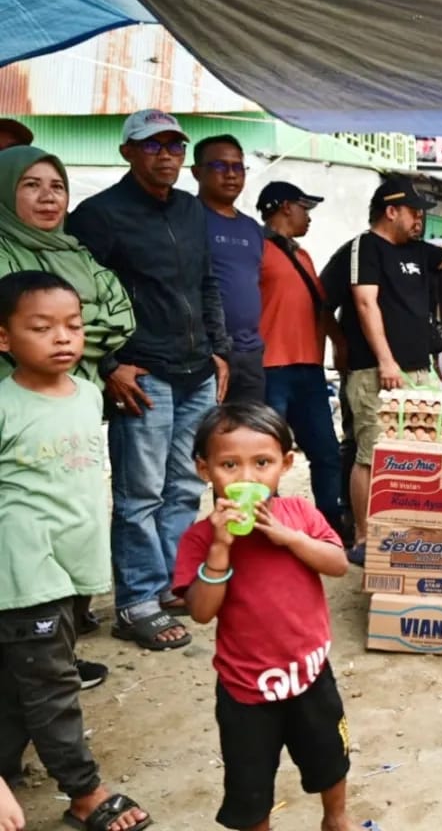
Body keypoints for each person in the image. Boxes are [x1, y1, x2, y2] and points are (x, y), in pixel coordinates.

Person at [68, 108, 231, 652]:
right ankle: (135, 601)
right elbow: (77, 296)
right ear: (127, 152)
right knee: (139, 493)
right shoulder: (99, 215)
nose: (166, 155)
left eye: (174, 147)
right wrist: (109, 363)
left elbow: (206, 282)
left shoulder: (189, 209)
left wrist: (219, 349)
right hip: (144, 373)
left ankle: (169, 585)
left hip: (196, 370)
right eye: (153, 145)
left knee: (185, 485)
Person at [0, 270, 154, 831]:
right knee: (52, 682)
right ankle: (85, 791)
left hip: (70, 567)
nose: (63, 337)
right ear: (4, 338)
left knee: (19, 680)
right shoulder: (3, 403)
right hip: (22, 569)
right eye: (41, 327)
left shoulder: (90, 393)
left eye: (73, 325)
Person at [174, 402, 354, 831]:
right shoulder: (200, 538)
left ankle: (337, 819)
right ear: (205, 470)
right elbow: (201, 613)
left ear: (286, 464)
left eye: (263, 463)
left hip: (310, 674)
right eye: (229, 465)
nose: (247, 478)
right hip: (246, 691)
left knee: (331, 759)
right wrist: (220, 549)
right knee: (250, 784)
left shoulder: (301, 516)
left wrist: (290, 538)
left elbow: (338, 563)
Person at [0, 146, 136, 688]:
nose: (48, 196)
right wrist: (79, 335)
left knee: (69, 510)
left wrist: (67, 339)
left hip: (73, 401)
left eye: (56, 185)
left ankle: (54, 653)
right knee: (22, 526)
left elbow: (121, 315)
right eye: (31, 185)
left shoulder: (78, 252)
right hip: (17, 404)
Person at [319, 177, 442, 564]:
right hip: (376, 372)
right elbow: (365, 304)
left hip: (421, 372)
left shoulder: (418, 251)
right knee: (373, 453)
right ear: (391, 211)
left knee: (427, 447)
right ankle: (364, 537)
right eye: (415, 212)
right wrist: (384, 361)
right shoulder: (364, 248)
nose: (421, 219)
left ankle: (414, 524)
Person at [257, 181, 349, 542]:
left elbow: (321, 308)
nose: (308, 216)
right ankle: (266, 528)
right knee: (266, 457)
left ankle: (329, 524)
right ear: (283, 208)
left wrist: (338, 344)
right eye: (303, 208)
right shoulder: (257, 251)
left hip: (309, 369)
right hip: (269, 369)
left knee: (326, 452)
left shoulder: (304, 256)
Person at [195, 135, 266, 403]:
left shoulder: (252, 228)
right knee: (208, 437)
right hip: (208, 352)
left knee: (247, 433)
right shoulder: (189, 217)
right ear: (197, 172)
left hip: (250, 353)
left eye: (238, 167)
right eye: (220, 166)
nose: (231, 175)